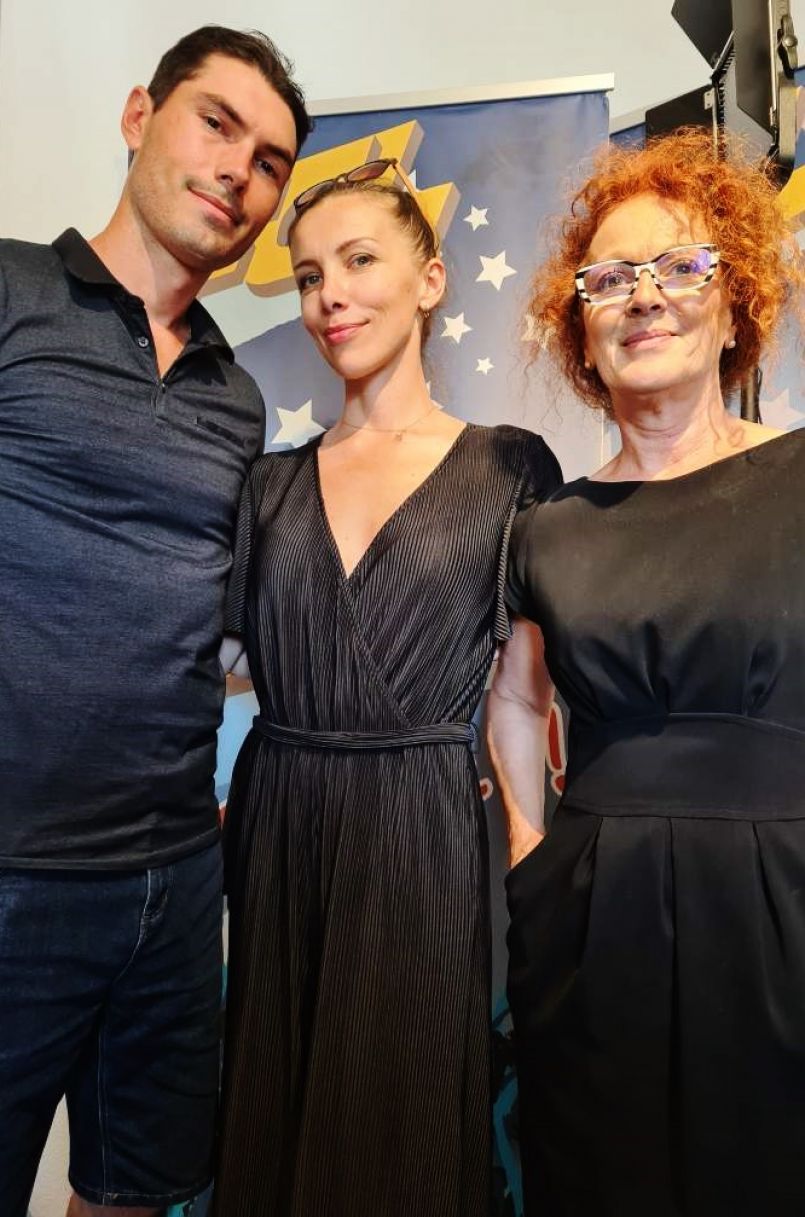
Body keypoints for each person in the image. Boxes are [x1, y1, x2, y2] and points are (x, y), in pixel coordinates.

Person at [211, 158, 562, 1217]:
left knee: (399, 1116)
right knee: (272, 1104)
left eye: (359, 260)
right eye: (309, 276)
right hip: (279, 824)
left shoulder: (509, 468)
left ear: (431, 280)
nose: (331, 296)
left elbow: (520, 699)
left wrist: (531, 860)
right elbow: (220, 666)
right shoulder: (266, 485)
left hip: (422, 830)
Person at [0, 25, 310, 1217]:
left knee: (137, 1196)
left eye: (270, 161)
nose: (239, 170)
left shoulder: (238, 399)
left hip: (176, 882)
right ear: (140, 115)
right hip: (16, 872)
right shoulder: (13, 291)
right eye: (216, 123)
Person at [487, 128, 805, 1217]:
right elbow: (515, 700)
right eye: (610, 279)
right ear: (580, 326)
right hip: (591, 919)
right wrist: (530, 859)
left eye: (678, 266)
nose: (644, 297)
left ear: (734, 304)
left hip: (783, 909)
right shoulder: (549, 527)